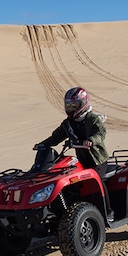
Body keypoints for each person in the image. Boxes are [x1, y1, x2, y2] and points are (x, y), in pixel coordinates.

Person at [34, 87, 114, 221]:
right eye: (69, 105)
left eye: (74, 105)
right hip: (81, 161)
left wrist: (91, 141)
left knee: (97, 180)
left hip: (97, 161)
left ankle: (108, 211)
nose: (71, 108)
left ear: (83, 104)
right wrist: (42, 144)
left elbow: (100, 134)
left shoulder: (93, 119)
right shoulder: (68, 124)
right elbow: (56, 137)